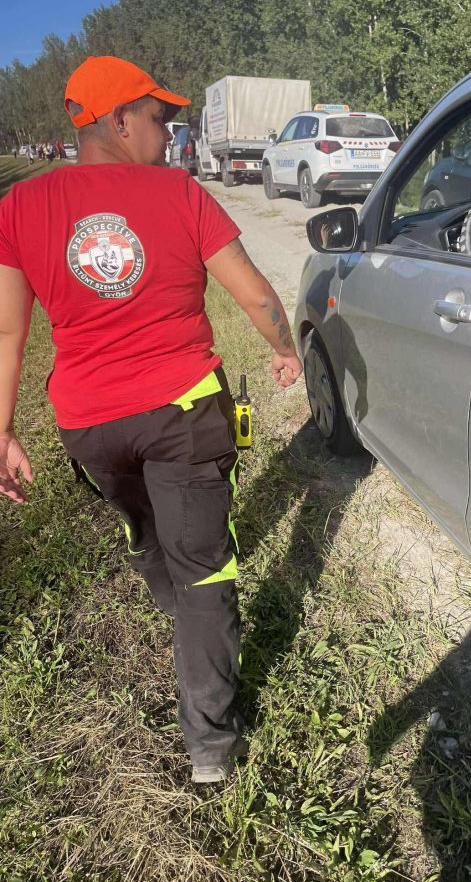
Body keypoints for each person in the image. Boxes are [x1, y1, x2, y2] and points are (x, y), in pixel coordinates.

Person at [0, 55, 303, 784]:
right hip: (184, 410)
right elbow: (255, 294)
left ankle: (172, 591)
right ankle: (211, 744)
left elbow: (8, 330)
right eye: (159, 118)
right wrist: (284, 347)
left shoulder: (20, 206)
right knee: (204, 567)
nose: (169, 133)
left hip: (90, 426)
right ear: (119, 121)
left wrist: (2, 430)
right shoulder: (179, 193)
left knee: (147, 530)